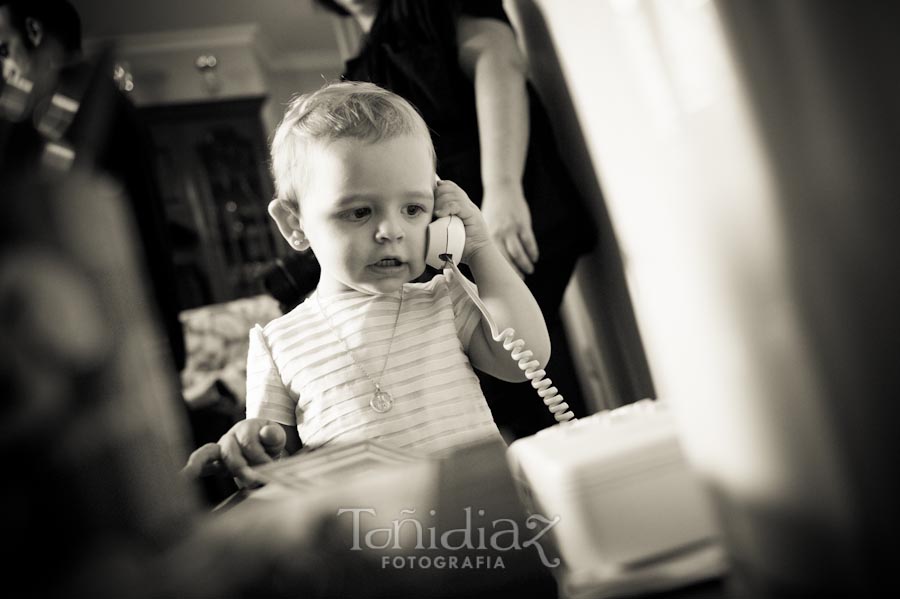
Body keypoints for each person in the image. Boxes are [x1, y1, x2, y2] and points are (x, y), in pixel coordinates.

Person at [185, 80, 552, 485]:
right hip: (369, 537)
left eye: (413, 208)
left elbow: (526, 362)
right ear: (295, 223)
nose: (391, 231)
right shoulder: (277, 344)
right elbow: (274, 459)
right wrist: (251, 443)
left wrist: (480, 249)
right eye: (359, 212)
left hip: (480, 515)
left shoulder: (444, 301)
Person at [311, 0, 598, 439]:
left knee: (518, 373)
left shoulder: (426, 9)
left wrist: (502, 187)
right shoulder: (364, 60)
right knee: (504, 383)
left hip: (495, 211)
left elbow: (497, 56)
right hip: (444, 239)